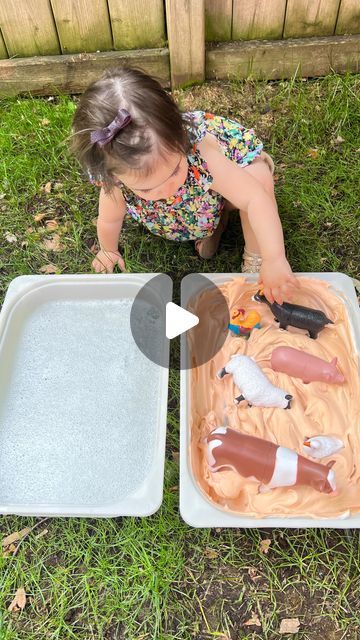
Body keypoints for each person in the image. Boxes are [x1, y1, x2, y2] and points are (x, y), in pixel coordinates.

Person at [71, 66, 298, 303]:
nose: (166, 190)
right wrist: (108, 249)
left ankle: (255, 258)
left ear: (181, 138)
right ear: (114, 176)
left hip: (222, 178)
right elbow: (110, 218)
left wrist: (274, 258)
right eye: (147, 189)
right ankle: (217, 224)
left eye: (174, 171)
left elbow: (255, 198)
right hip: (190, 208)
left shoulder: (202, 153)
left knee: (259, 178)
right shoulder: (115, 177)